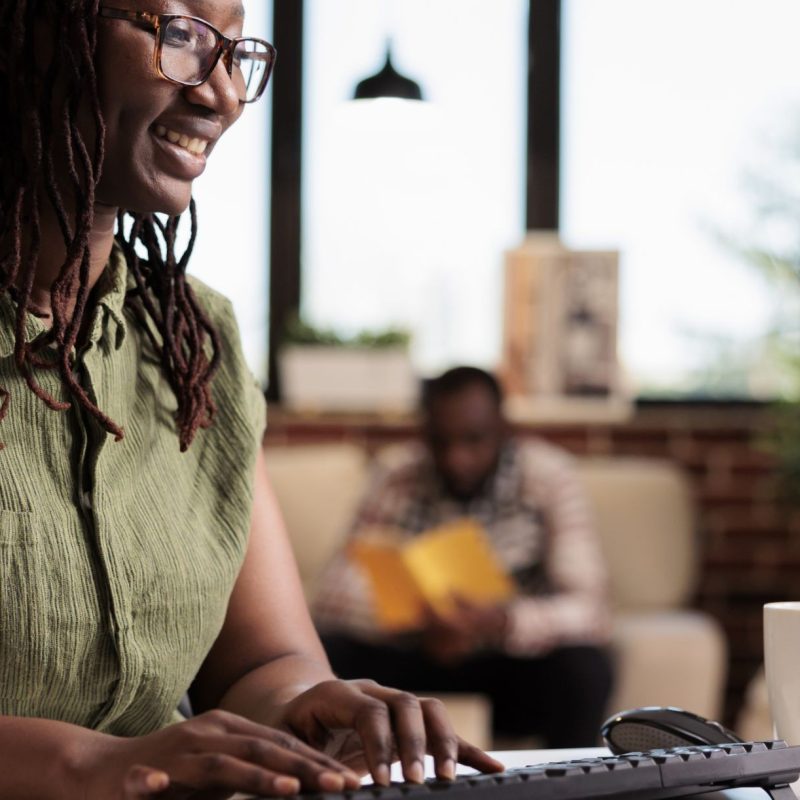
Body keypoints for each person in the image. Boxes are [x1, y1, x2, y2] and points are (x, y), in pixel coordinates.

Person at [0, 3, 503, 798]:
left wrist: (311, 708)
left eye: (235, 52)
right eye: (179, 35)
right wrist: (87, 762)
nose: (225, 94)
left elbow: (263, 662)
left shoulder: (195, 344)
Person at [314, 366, 614, 748]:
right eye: (441, 443)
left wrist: (500, 621)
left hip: (507, 662)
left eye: (474, 440)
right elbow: (331, 596)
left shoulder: (549, 475)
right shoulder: (397, 473)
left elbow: (591, 609)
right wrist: (423, 622)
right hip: (415, 652)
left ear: (504, 427)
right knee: (324, 648)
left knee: (585, 668)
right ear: (424, 432)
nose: (456, 459)